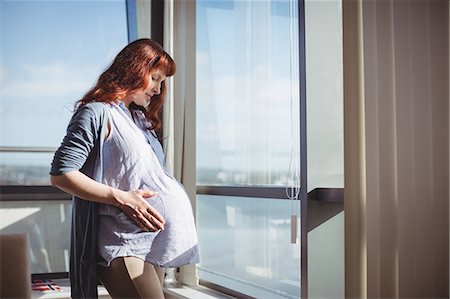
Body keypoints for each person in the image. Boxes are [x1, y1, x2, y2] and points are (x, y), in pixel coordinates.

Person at [50, 38, 199, 299]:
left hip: (149, 242)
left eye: (162, 82)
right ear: (134, 70)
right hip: (123, 243)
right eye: (155, 78)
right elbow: (61, 174)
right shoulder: (96, 113)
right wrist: (122, 199)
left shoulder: (138, 119)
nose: (157, 89)